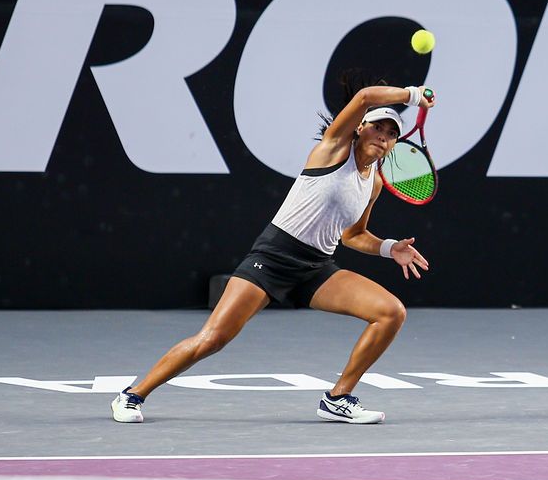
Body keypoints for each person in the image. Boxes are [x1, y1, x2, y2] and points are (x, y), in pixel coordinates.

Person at [110, 82, 435, 425]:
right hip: (274, 257)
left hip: (316, 268)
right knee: (213, 339)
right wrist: (412, 95)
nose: (383, 136)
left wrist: (388, 248)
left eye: (391, 133)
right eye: (377, 127)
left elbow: (352, 235)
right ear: (359, 127)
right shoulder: (334, 149)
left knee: (391, 313)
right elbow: (366, 97)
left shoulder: (374, 183)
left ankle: (338, 398)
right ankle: (132, 394)